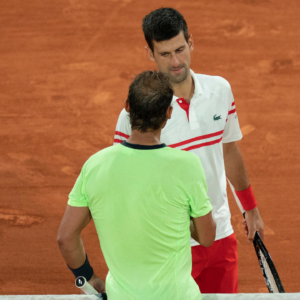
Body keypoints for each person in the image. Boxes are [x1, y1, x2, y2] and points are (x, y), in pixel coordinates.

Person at [114, 8, 265, 294]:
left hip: (220, 234)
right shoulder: (139, 113)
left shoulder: (220, 91)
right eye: (165, 54)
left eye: (180, 49)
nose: (175, 62)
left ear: (191, 42)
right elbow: (123, 178)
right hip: (170, 246)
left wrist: (250, 208)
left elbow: (229, 151)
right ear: (150, 54)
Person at [57, 70, 216, 300]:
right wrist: (181, 220)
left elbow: (65, 237)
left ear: (128, 107)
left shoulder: (95, 165)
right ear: (168, 114)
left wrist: (88, 277)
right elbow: (208, 237)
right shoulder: (187, 166)